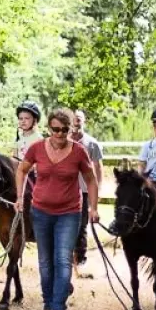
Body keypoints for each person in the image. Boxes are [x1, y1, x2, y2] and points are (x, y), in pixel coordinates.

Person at [15, 107, 100, 310]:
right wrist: (19, 198)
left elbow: (91, 180)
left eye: (64, 130)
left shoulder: (79, 152)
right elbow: (22, 170)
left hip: (69, 213)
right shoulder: (36, 149)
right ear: (48, 128)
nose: (59, 134)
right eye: (55, 130)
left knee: (62, 260)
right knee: (45, 262)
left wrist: (93, 207)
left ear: (70, 129)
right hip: (41, 212)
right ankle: (47, 307)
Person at [70, 109, 103, 266]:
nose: (76, 121)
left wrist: (98, 189)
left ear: (84, 121)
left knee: (82, 224)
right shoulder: (64, 141)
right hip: (66, 190)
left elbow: (98, 168)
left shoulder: (92, 143)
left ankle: (81, 256)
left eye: (79, 118)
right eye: (74, 118)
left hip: (84, 190)